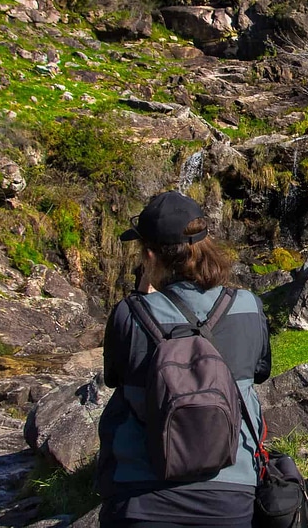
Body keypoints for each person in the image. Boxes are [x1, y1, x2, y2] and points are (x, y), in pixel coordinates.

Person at [97, 191, 271, 528]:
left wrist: (144, 297)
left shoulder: (128, 313)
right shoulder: (249, 305)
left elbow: (114, 376)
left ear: (149, 255)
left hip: (138, 497)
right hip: (231, 497)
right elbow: (260, 372)